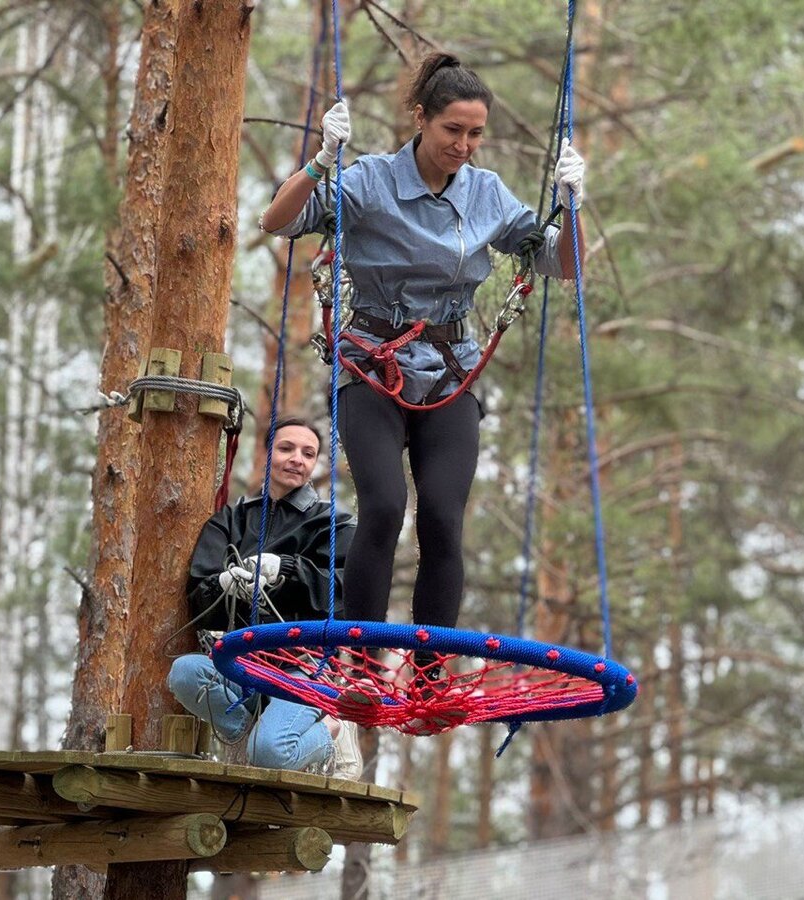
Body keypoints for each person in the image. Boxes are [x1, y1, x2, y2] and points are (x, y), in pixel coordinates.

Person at [259, 54, 587, 657]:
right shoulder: (370, 181)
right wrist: (320, 162)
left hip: (449, 372)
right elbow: (276, 222)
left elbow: (565, 265)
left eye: (475, 133)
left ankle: (432, 669)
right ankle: (359, 659)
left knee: (442, 516)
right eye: (452, 131)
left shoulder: (487, 193)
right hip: (371, 364)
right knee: (383, 506)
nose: (463, 145)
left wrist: (574, 205)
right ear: (421, 119)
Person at [168, 416, 362, 778]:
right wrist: (224, 584)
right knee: (184, 673)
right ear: (267, 452)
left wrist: (286, 568)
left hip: (302, 665)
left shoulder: (332, 523)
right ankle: (245, 735)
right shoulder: (231, 520)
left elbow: (345, 591)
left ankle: (327, 731)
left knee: (271, 751)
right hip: (240, 663)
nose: (297, 459)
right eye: (286, 448)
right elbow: (198, 596)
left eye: (308, 453)